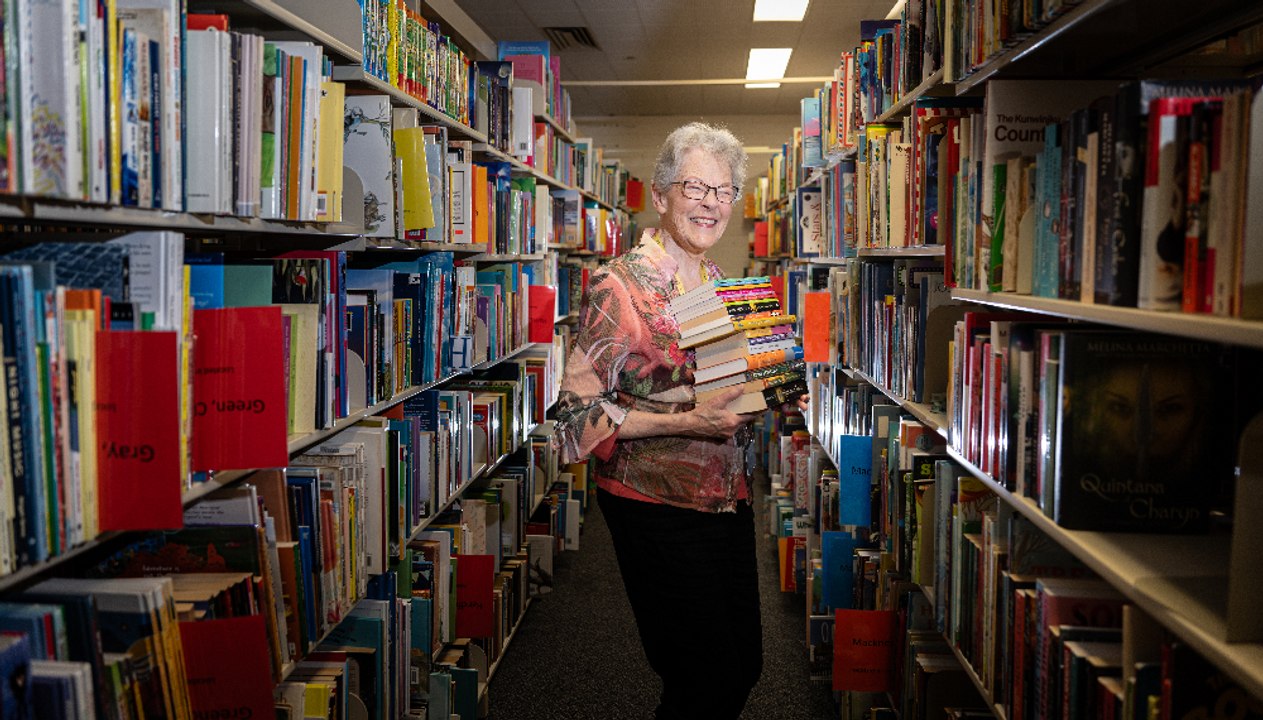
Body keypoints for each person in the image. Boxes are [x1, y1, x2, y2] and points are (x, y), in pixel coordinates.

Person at [554, 122, 778, 719]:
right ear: (660, 195)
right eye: (695, 187)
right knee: (703, 676)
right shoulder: (618, 286)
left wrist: (779, 390)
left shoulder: (722, 285)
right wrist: (686, 423)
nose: (710, 203)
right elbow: (574, 419)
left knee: (745, 665)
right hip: (652, 501)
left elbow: (727, 393)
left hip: (726, 496)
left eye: (724, 191)